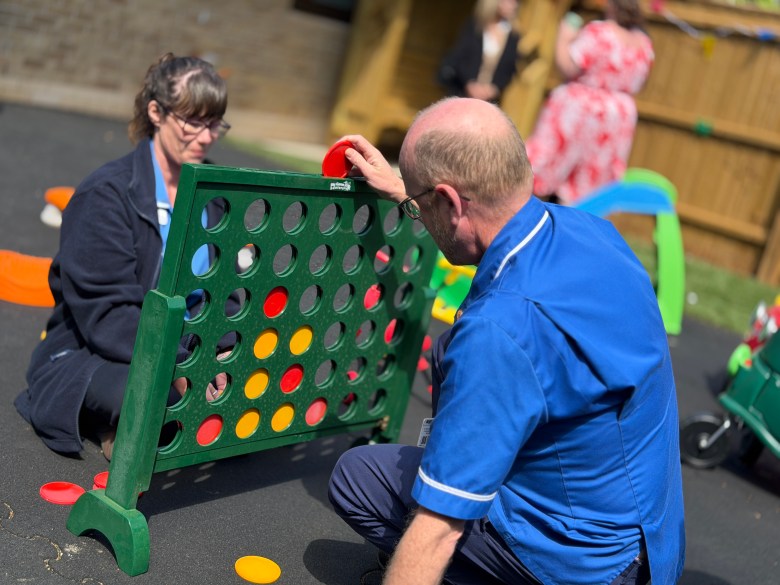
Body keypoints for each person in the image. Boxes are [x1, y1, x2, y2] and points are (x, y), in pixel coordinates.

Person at [328, 97, 685, 584]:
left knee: (358, 478)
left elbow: (438, 528)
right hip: (647, 544)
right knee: (449, 348)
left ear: (451, 203)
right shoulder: (596, 235)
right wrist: (406, 191)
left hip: (579, 565)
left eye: (419, 204)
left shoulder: (501, 332)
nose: (416, 211)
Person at [15, 53, 232, 459]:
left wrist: (220, 351)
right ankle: (124, 424)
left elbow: (229, 293)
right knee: (155, 390)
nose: (206, 137)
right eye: (193, 121)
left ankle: (162, 421)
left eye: (214, 122)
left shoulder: (216, 194)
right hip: (100, 351)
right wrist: (182, 364)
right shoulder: (106, 195)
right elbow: (108, 315)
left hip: (187, 346)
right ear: (156, 112)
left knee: (247, 386)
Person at [525, 0, 654, 205]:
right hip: (617, 117)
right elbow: (641, 82)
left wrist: (565, 35)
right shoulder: (644, 43)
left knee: (545, 170)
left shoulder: (600, 32)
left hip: (581, 110)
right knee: (584, 192)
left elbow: (568, 65)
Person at [437, 0, 520, 103]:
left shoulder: (513, 36)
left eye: (515, 2)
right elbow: (460, 56)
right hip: (462, 92)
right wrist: (469, 83)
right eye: (507, 1)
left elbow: (510, 68)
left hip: (489, 99)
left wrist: (495, 88)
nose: (512, 5)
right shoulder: (475, 27)